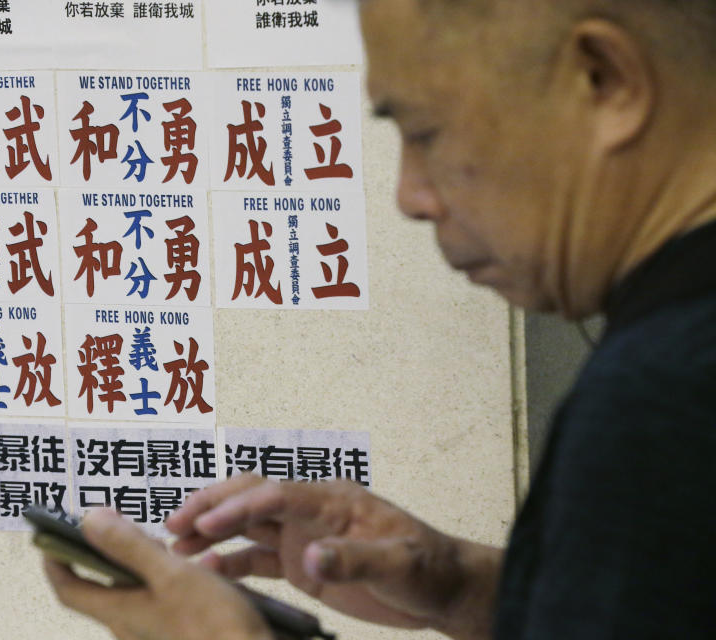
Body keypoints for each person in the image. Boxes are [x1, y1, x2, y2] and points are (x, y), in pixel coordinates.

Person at [42, 0, 716, 638]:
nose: (410, 197)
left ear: (605, 79)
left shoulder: (662, 394)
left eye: (426, 131)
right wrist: (465, 590)